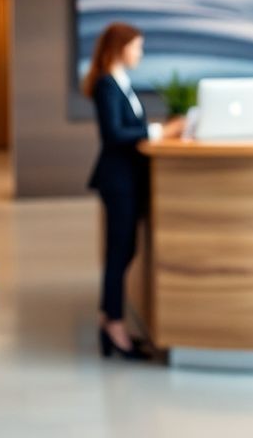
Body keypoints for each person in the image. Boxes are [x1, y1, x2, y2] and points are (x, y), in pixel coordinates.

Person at [82, 22, 183, 360]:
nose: (140, 53)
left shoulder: (120, 82)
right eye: (137, 47)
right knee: (118, 255)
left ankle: (108, 320)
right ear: (120, 47)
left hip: (127, 179)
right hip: (118, 180)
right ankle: (115, 327)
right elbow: (115, 133)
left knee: (123, 253)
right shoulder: (106, 84)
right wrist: (160, 132)